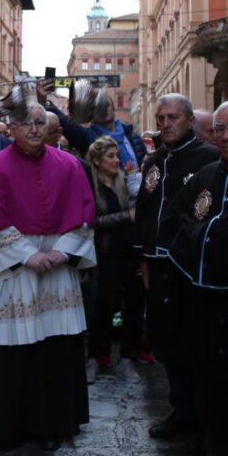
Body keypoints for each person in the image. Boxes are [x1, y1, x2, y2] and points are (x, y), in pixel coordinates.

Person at [0, 102, 96, 451]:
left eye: (40, 123)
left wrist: (62, 252)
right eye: (26, 123)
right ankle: (7, 425)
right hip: (13, 273)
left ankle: (53, 423)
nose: (34, 129)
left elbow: (85, 215)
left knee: (54, 347)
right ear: (11, 128)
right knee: (12, 349)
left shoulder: (70, 165)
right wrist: (27, 255)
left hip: (56, 269)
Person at [165, 101, 228, 456]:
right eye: (219, 129)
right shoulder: (206, 175)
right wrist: (199, 237)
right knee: (202, 364)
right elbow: (178, 215)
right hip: (200, 291)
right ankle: (208, 432)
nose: (226, 136)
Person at [134, 93, 219, 441]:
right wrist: (142, 257)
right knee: (166, 339)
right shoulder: (155, 160)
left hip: (190, 265)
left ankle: (202, 415)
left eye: (173, 118)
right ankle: (180, 410)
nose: (166, 124)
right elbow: (145, 207)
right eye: (161, 118)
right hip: (158, 264)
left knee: (193, 341)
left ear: (189, 121)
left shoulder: (209, 158)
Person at [85, 135, 142, 381]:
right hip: (105, 255)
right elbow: (93, 222)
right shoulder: (91, 185)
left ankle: (127, 358)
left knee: (133, 307)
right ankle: (95, 357)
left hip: (130, 253)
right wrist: (126, 217)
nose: (116, 160)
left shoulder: (123, 181)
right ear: (97, 160)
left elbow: (138, 210)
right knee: (103, 307)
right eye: (110, 156)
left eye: (117, 155)